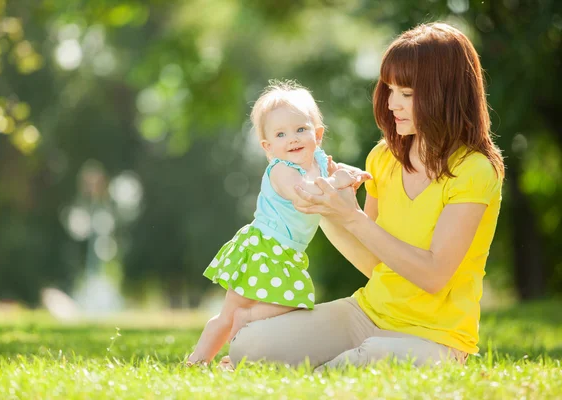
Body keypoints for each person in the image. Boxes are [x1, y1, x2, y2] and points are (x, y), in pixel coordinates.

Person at [227, 22, 505, 370]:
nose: (391, 104)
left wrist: (352, 217)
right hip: (367, 314)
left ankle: (333, 367)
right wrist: (328, 207)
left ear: (445, 92)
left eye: (406, 93)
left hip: (434, 337)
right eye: (389, 90)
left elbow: (434, 276)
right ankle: (333, 363)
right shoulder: (384, 157)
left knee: (361, 361)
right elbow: (374, 265)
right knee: (247, 347)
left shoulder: (475, 170)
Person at [187, 80, 368, 365]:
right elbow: (305, 197)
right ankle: (197, 360)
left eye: (300, 130)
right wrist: (336, 182)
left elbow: (336, 171)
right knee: (229, 315)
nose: (292, 139)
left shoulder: (318, 161)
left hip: (288, 252)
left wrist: (351, 173)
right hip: (264, 246)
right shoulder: (282, 171)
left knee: (292, 302)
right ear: (268, 147)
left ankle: (243, 325)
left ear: (317, 135)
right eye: (281, 134)